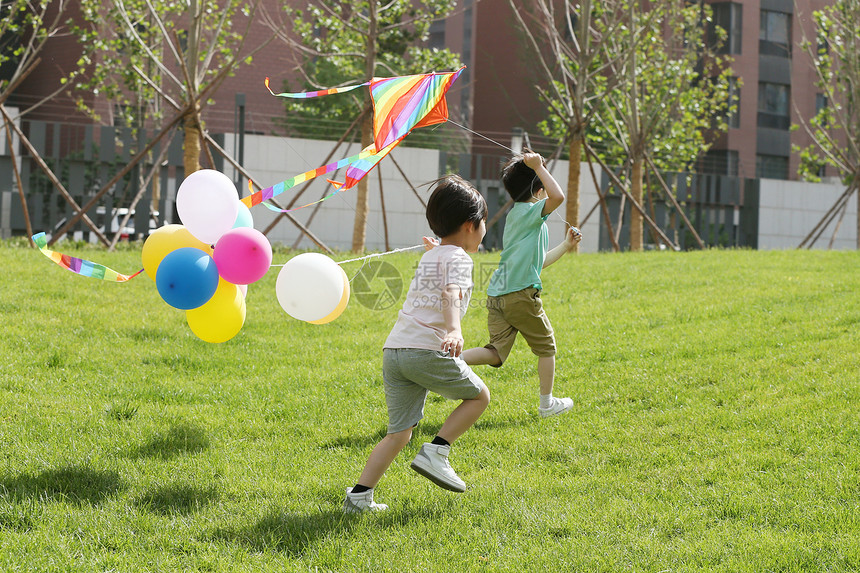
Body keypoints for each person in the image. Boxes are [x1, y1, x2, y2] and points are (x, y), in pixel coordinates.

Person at [343, 175, 491, 514]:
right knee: (479, 396)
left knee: (399, 434)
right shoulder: (459, 259)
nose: (485, 229)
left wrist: (435, 251)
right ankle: (437, 452)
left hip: (395, 352)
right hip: (425, 349)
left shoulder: (434, 256)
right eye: (483, 222)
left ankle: (358, 497)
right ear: (470, 226)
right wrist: (454, 329)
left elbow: (437, 279)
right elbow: (449, 292)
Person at [462, 151, 582, 418]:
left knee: (495, 353)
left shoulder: (517, 216)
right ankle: (547, 404)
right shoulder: (530, 212)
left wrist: (565, 245)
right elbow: (559, 197)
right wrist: (539, 166)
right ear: (539, 190)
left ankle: (450, 361)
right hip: (520, 295)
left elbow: (537, 266)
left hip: (497, 295)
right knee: (547, 348)